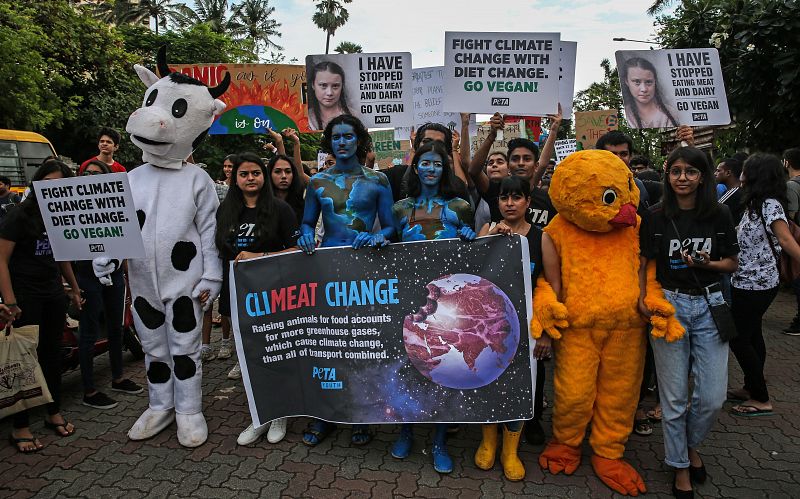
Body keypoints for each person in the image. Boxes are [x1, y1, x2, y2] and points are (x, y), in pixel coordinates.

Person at [639, 146, 739, 498]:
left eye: (691, 172)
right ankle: (680, 465)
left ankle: (690, 444)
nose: (683, 178)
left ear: (703, 176)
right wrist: (643, 298)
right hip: (669, 309)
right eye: (676, 171)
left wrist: (706, 263)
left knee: (712, 397)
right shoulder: (655, 215)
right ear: (667, 176)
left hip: (710, 306)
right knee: (674, 397)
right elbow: (646, 261)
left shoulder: (720, 214)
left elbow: (732, 263)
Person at [297, 114, 395, 446]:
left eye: (348, 136)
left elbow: (390, 225)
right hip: (325, 272)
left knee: (360, 347)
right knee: (327, 348)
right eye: (336, 137)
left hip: (364, 274)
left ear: (359, 141)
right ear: (330, 143)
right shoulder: (316, 183)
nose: (342, 142)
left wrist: (379, 237)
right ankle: (324, 416)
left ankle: (360, 416)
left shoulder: (378, 181)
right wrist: (306, 235)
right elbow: (308, 222)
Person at [389, 140, 476, 474]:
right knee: (408, 368)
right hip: (409, 300)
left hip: (448, 303)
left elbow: (472, 255)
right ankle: (406, 431)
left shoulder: (458, 206)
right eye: (424, 162)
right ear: (415, 167)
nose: (430, 169)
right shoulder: (400, 209)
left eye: (437, 164)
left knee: (444, 370)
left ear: (445, 169)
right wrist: (380, 238)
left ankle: (439, 440)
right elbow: (388, 245)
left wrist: (471, 237)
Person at [476, 175, 560, 480]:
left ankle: (510, 451)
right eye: (503, 198)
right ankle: (488, 442)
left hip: (528, 331)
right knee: (488, 383)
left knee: (520, 389)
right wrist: (490, 240)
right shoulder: (488, 230)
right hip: (489, 330)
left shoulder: (542, 238)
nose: (509, 204)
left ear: (528, 201)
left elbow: (553, 286)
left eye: (516, 197)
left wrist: (548, 332)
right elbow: (473, 276)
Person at [214, 152, 299, 446]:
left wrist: (259, 256)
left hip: (273, 294)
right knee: (251, 357)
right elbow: (220, 253)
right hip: (238, 293)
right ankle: (260, 413)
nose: (250, 178)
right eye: (244, 174)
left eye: (256, 173)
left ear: (264, 176)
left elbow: (297, 251)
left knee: (276, 354)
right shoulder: (225, 212)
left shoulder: (281, 209)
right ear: (234, 179)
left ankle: (281, 412)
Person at [0, 159, 84, 453]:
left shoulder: (59, 215)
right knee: (23, 361)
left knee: (51, 357)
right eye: (48, 182)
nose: (53, 189)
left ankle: (52, 412)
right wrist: (9, 301)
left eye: (60, 184)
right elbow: (1, 260)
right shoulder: (18, 215)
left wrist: (73, 288)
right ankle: (20, 426)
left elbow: (62, 256)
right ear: (37, 183)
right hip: (25, 298)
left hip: (52, 295)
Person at [728, 154, 800, 417]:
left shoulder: (770, 205)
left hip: (757, 283)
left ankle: (761, 397)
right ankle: (751, 387)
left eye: (746, 170)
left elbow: (786, 240)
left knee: (737, 337)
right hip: (745, 279)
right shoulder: (754, 203)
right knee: (753, 334)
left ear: (756, 174)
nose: (742, 174)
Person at [75, 160, 143, 409]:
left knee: (117, 327)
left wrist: (119, 263)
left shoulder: (117, 205)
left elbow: (125, 237)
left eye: (97, 174)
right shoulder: (73, 208)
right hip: (85, 275)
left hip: (113, 273)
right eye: (87, 173)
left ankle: (118, 377)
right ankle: (89, 390)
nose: (91, 177)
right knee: (89, 332)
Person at [620, 57, 678, 129]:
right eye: (637, 82)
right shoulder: (623, 115)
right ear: (626, 81)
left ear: (655, 81)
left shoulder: (670, 113)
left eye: (648, 82)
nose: (644, 89)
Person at [782, 148, 800, 336]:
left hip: (797, 239)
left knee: (797, 278)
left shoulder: (791, 186)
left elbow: (791, 217)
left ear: (786, 162)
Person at [307, 60, 352, 131]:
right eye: (323, 85)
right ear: (313, 85)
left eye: (335, 86)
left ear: (342, 86)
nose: (329, 93)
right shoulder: (305, 118)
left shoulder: (354, 115)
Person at [268, 154, 305, 225]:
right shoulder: (260, 203)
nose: (284, 176)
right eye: (277, 171)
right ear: (270, 174)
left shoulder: (303, 204)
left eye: (288, 172)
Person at [715, 157, 745, 224]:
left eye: (718, 171)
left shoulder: (733, 193)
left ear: (728, 173)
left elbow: (714, 213)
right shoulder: (734, 192)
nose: (715, 173)